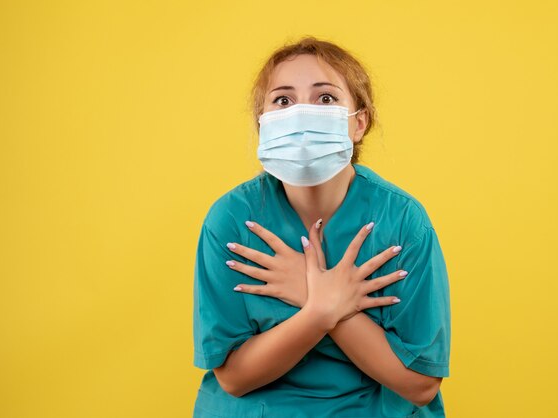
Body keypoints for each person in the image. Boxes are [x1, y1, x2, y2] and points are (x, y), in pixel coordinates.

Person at [192, 36, 451, 418]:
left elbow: (420, 384)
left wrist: (317, 294)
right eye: (283, 100)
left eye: (325, 98)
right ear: (263, 125)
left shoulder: (402, 220)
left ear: (359, 123)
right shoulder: (231, 219)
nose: (301, 114)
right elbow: (233, 378)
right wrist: (320, 310)